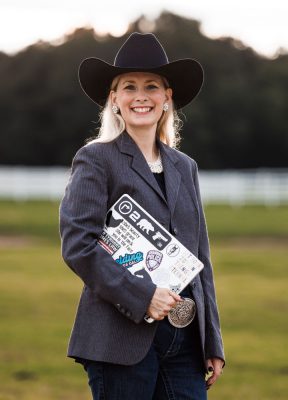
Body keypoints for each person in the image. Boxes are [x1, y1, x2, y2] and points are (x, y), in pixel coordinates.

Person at [60, 32, 225, 399]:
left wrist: (212, 340)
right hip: (119, 338)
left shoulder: (186, 167)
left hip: (185, 343)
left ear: (167, 98)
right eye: (129, 87)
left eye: (151, 87)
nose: (140, 96)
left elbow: (200, 259)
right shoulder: (96, 159)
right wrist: (143, 295)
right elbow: (79, 246)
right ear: (114, 99)